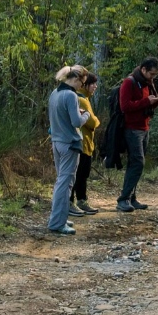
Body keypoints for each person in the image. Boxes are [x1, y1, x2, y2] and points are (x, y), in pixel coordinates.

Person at [115, 56, 158, 212]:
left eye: (155, 75)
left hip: (144, 128)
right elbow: (125, 106)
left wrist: (157, 100)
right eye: (151, 74)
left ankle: (131, 197)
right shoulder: (129, 82)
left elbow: (147, 107)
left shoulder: (147, 83)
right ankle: (123, 199)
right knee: (138, 162)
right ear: (143, 69)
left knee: (136, 163)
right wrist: (147, 101)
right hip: (132, 129)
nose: (153, 77)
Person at [47, 65, 90, 235]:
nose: (82, 87)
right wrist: (85, 114)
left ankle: (60, 217)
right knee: (65, 185)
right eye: (83, 83)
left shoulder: (54, 93)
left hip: (56, 142)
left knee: (61, 182)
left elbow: (57, 116)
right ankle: (57, 223)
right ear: (77, 79)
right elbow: (77, 122)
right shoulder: (71, 95)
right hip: (69, 144)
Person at [71, 70, 101, 216]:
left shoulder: (85, 98)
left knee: (81, 174)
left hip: (85, 143)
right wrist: (96, 120)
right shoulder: (81, 99)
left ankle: (80, 201)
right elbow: (92, 122)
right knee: (79, 174)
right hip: (82, 143)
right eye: (92, 83)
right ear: (85, 84)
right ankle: (76, 201)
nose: (95, 86)